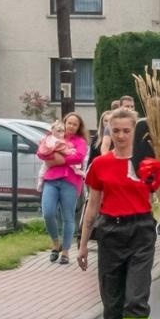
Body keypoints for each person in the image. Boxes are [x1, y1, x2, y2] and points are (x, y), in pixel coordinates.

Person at [77, 108, 160, 319]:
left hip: (141, 232)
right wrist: (83, 244)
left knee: (135, 301)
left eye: (126, 131)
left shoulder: (145, 163)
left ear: (134, 131)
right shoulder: (100, 165)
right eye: (115, 131)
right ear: (109, 131)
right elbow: (93, 204)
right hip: (110, 233)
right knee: (113, 305)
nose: (120, 136)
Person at [38, 112, 88, 265]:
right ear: (64, 123)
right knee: (48, 212)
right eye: (69, 123)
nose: (71, 126)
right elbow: (41, 152)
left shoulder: (80, 141)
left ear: (79, 127)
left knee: (68, 216)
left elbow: (79, 157)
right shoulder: (54, 137)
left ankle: (65, 251)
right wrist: (55, 159)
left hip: (70, 181)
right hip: (51, 179)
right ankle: (55, 244)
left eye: (75, 124)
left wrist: (59, 159)